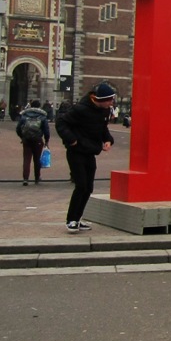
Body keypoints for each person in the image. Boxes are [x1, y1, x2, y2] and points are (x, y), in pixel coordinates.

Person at [55, 82, 116, 233]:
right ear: (100, 99)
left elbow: (103, 128)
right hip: (76, 151)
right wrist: (71, 140)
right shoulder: (80, 109)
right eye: (109, 100)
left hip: (90, 151)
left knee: (88, 187)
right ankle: (71, 220)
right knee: (81, 185)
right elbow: (61, 123)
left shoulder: (104, 111)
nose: (111, 103)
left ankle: (78, 218)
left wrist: (108, 139)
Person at [16, 99, 51, 186]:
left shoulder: (24, 115)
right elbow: (46, 130)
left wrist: (22, 137)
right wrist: (46, 140)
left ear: (31, 105)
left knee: (27, 159)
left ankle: (25, 179)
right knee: (37, 159)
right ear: (39, 106)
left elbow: (18, 128)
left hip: (27, 140)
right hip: (38, 140)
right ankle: (37, 178)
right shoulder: (42, 116)